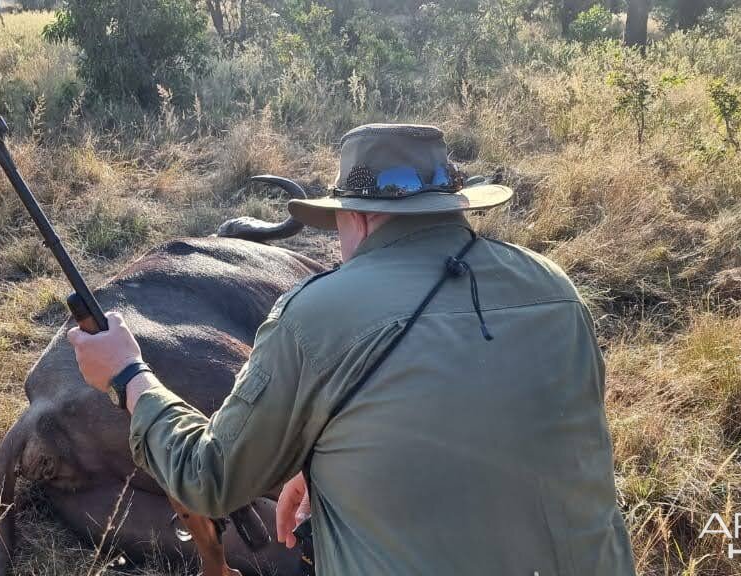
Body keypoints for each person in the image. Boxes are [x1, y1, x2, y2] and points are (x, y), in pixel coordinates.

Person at [68, 124, 635, 575]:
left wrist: (127, 376)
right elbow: (517, 428)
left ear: (358, 218)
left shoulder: (315, 314)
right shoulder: (555, 286)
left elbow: (209, 481)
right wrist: (326, 465)